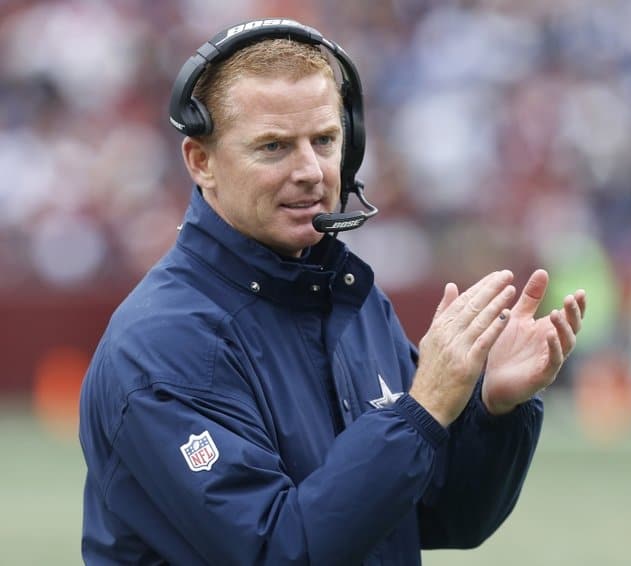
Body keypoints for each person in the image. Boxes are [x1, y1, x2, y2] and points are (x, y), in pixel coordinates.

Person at [78, 19, 586, 566]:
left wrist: (493, 411)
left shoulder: (351, 298)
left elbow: (440, 516)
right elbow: (278, 550)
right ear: (202, 161)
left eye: (324, 140)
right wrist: (425, 408)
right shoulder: (164, 348)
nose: (310, 171)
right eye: (273, 146)